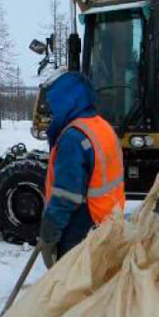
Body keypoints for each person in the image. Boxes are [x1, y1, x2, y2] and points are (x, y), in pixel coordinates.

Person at [38, 71, 125, 268]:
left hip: (82, 225)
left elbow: (66, 196)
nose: (51, 110)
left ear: (66, 101)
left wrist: (50, 232)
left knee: (73, 286)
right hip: (108, 221)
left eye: (53, 103)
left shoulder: (73, 138)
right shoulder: (103, 127)